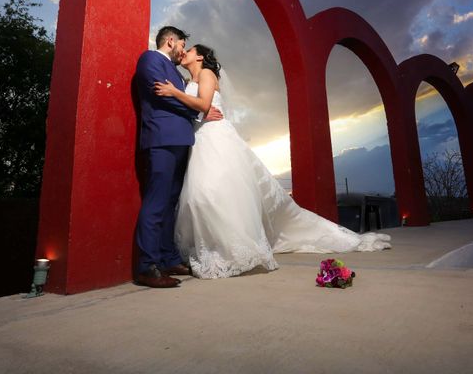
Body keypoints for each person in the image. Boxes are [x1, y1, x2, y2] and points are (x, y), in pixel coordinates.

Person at [153, 44, 391, 279]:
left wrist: (175, 93)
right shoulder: (185, 80)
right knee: (199, 196)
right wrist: (188, 102)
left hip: (215, 136)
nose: (185, 52)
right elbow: (197, 108)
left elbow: (204, 104)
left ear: (201, 56)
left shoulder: (206, 73)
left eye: (190, 50)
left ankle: (232, 250)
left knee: (212, 192)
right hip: (200, 138)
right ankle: (214, 245)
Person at [134, 26, 222, 288]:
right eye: (182, 45)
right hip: (162, 137)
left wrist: (189, 105)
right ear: (171, 41)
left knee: (170, 202)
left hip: (181, 141)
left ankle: (169, 258)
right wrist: (197, 113)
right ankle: (147, 266)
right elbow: (160, 94)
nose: (183, 51)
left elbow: (177, 96)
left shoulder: (178, 74)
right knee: (156, 200)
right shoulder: (150, 59)